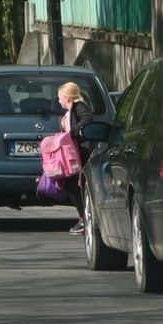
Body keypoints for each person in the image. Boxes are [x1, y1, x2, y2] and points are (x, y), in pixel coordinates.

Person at [57, 81, 94, 235]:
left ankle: (84, 219)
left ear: (66, 97)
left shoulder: (79, 106)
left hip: (82, 154)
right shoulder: (71, 110)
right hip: (73, 154)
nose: (58, 101)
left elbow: (87, 119)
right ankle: (83, 218)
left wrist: (73, 133)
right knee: (72, 185)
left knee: (74, 185)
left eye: (59, 98)